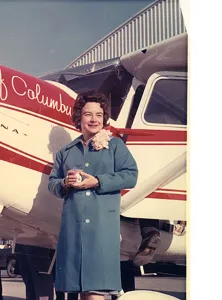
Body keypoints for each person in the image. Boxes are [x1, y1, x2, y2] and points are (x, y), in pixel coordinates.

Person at [48, 91, 138, 300]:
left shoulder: (115, 146)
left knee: (95, 292)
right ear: (79, 117)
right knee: (82, 292)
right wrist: (64, 183)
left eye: (99, 114)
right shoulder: (66, 152)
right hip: (73, 230)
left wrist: (98, 181)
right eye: (88, 114)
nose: (94, 119)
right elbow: (52, 184)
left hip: (101, 228)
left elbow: (131, 175)